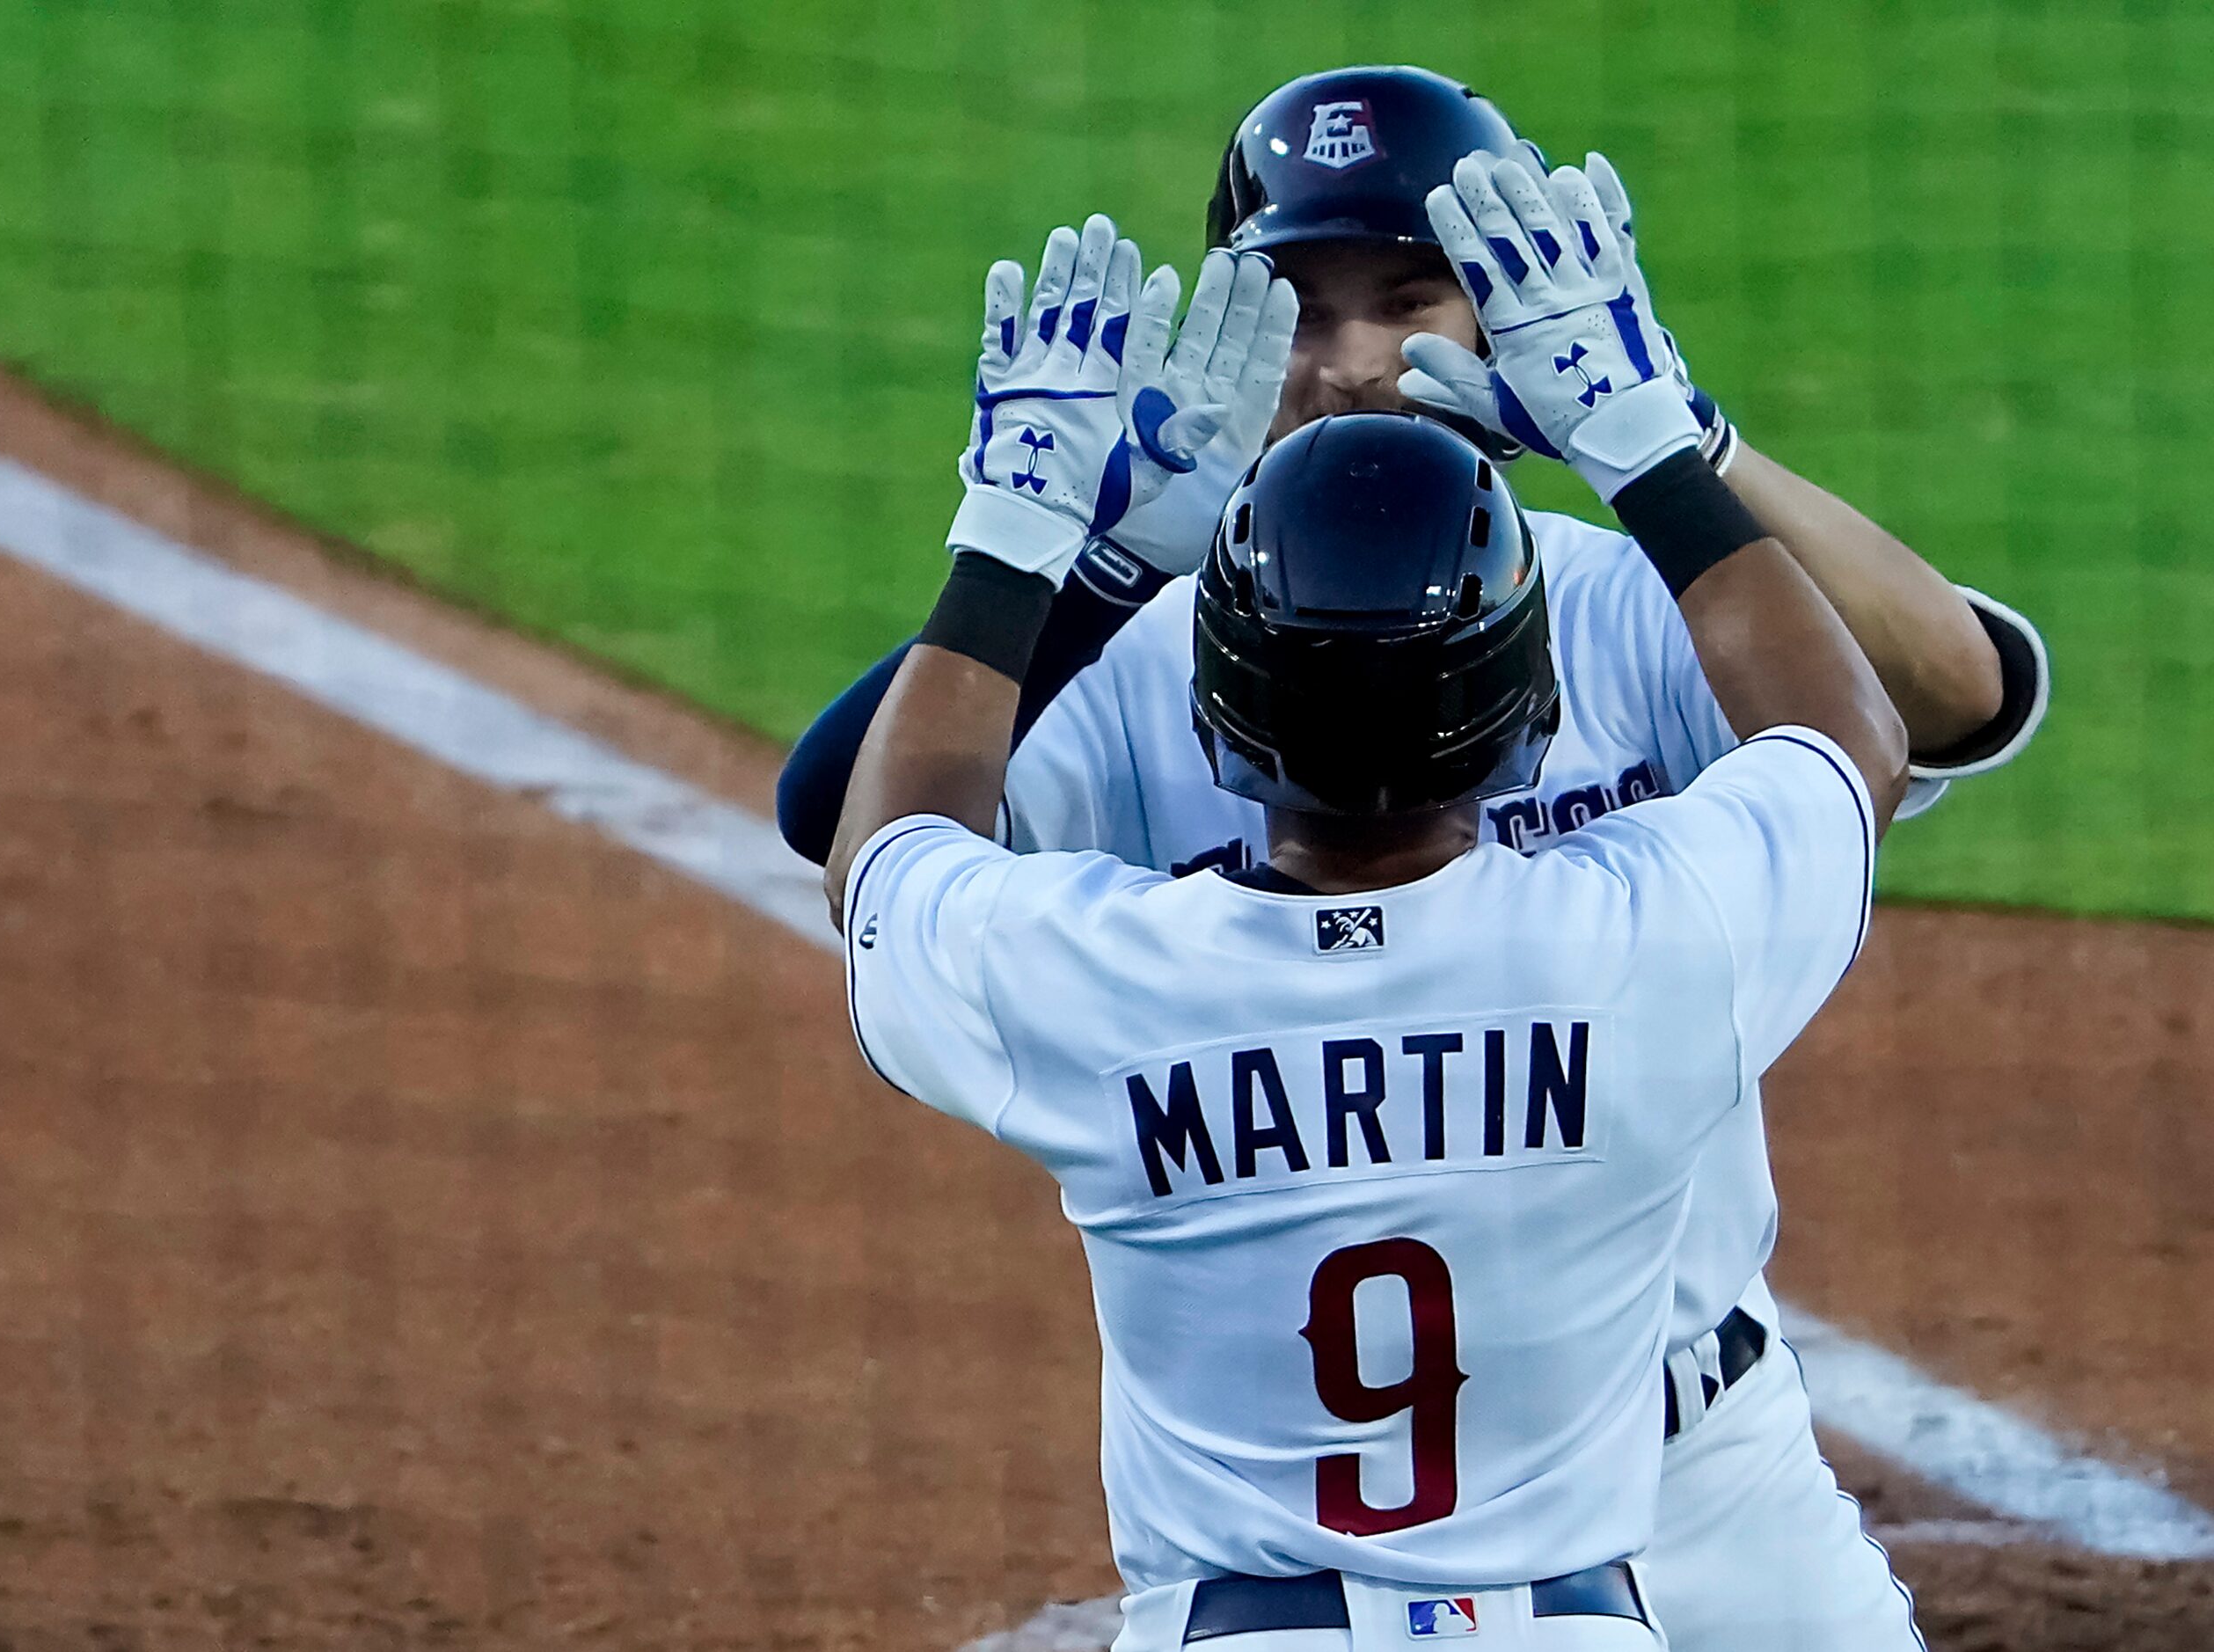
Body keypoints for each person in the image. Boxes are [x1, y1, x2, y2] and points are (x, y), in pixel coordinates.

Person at [788, 67, 2048, 1650]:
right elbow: (1864, 733)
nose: (1355, 360)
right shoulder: (1173, 645)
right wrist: (1652, 437)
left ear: (1504, 304)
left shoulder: (1602, 596)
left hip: (1701, 1465)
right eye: (1300, 308)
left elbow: (1963, 688)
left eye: (1406, 296)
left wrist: (1049, 557)